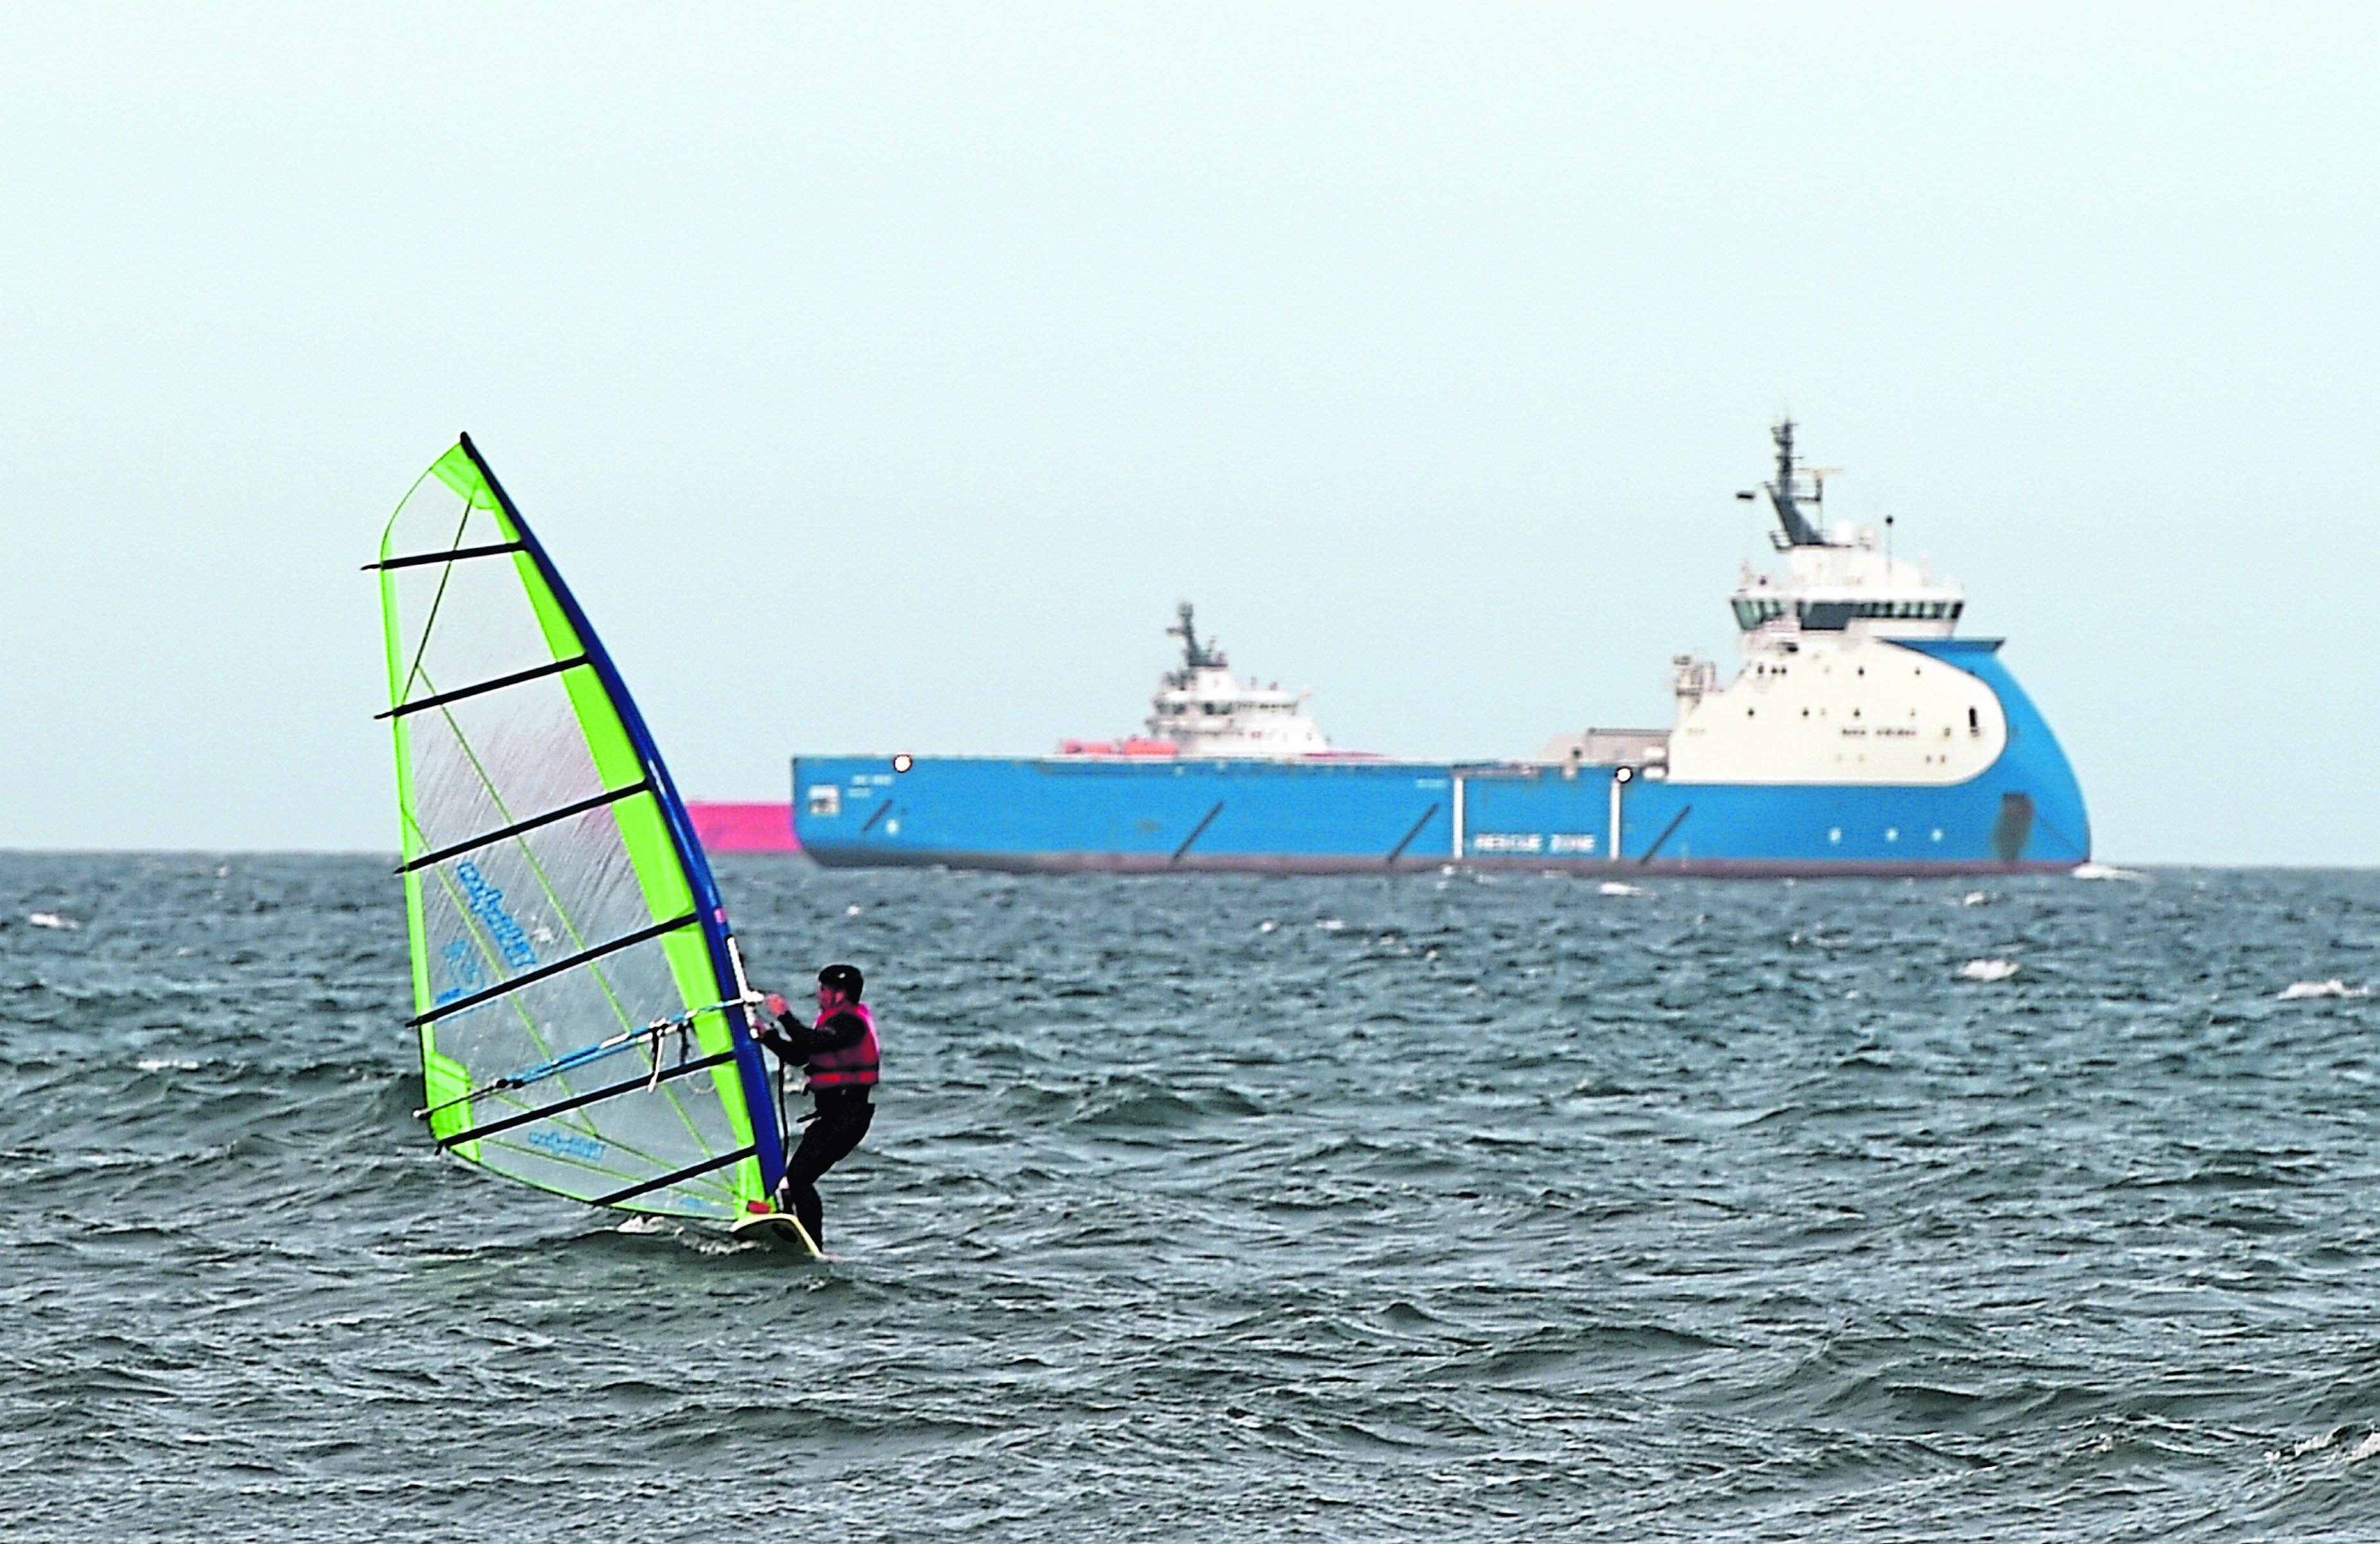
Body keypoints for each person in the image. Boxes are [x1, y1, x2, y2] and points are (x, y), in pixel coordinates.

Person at [756, 962, 879, 1249]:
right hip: (834, 1117)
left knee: (799, 1179)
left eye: (823, 990)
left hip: (848, 1116)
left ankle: (814, 1246)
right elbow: (800, 1054)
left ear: (837, 994)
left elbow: (811, 1042)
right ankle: (788, 1229)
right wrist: (766, 1036)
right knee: (791, 1179)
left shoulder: (850, 1023)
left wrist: (784, 1015)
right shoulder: (834, 1022)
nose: (819, 996)